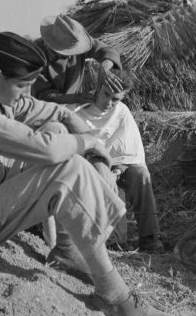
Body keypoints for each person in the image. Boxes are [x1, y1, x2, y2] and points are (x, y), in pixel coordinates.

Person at [0, 30, 176, 316]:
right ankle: (114, 296)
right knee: (65, 167)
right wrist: (87, 142)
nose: (26, 93)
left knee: (57, 130)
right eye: (22, 86)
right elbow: (41, 148)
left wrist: (70, 121)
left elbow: (41, 110)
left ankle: (67, 248)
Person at [69, 69, 165, 253]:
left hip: (116, 167)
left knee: (141, 175)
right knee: (102, 174)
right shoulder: (76, 110)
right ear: (97, 89)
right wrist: (103, 170)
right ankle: (112, 239)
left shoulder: (121, 113)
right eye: (106, 95)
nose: (109, 103)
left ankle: (150, 237)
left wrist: (117, 171)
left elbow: (129, 152)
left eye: (116, 99)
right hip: (86, 167)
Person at [32, 14, 125, 105]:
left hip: (72, 104)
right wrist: (76, 98)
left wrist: (104, 68)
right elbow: (43, 95)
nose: (70, 56)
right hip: (46, 108)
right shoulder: (34, 55)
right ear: (51, 45)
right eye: (65, 53)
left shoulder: (77, 42)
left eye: (73, 52)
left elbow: (106, 50)